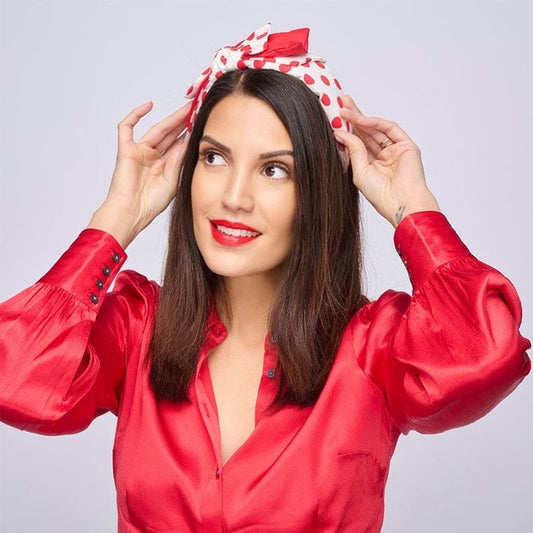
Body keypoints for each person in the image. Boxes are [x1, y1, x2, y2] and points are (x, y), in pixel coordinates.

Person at [0, 23, 530, 532]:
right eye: (214, 158)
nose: (234, 197)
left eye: (274, 169)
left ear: (318, 192)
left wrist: (413, 210)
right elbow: (17, 380)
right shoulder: (138, 329)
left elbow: (485, 357)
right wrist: (116, 218)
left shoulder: (374, 349)